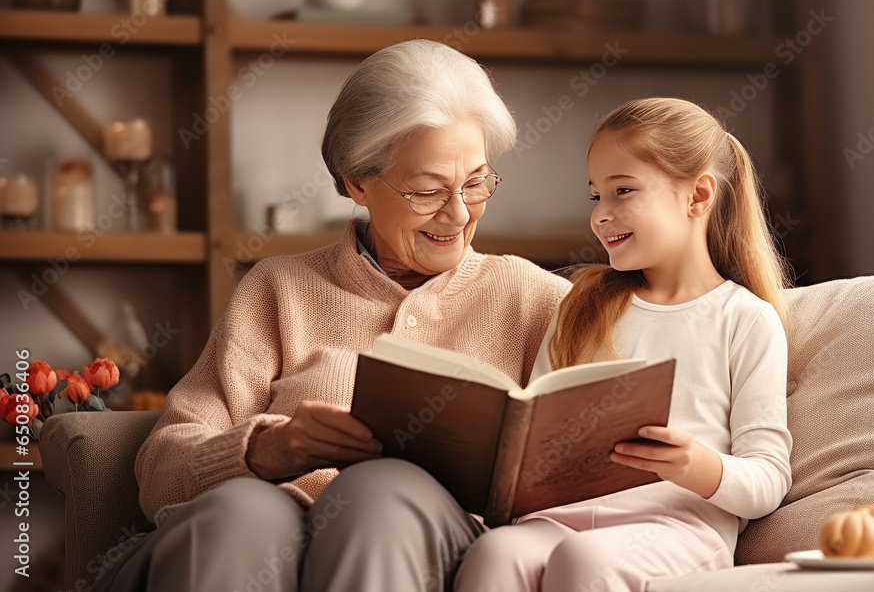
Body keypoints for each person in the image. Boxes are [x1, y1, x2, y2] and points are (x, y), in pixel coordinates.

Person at [88, 39, 571, 592]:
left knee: (379, 494)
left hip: (430, 541)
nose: (458, 212)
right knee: (245, 516)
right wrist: (265, 450)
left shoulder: (538, 300)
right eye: (427, 189)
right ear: (356, 181)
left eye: (476, 182)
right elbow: (161, 472)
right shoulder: (278, 289)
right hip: (261, 532)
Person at [453, 97, 794, 592]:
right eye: (595, 196)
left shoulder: (745, 320)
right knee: (495, 551)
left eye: (623, 191)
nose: (601, 216)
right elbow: (537, 430)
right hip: (561, 520)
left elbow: (767, 479)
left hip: (677, 529)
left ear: (698, 196)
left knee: (586, 562)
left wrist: (695, 465)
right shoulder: (581, 307)